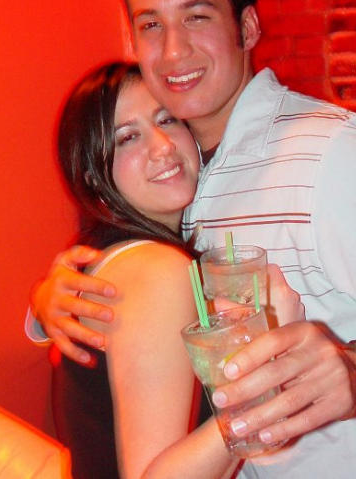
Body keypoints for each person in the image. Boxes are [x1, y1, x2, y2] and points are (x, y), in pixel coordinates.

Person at [28, 0, 356, 479]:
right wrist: (47, 305)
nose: (173, 51)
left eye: (196, 16)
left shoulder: (334, 156)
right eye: (151, 25)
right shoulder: (174, 177)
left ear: (246, 28)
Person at [41, 61, 301, 479]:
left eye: (166, 119)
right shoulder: (157, 270)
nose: (162, 145)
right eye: (128, 137)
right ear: (92, 176)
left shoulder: (116, 258)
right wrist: (266, 367)